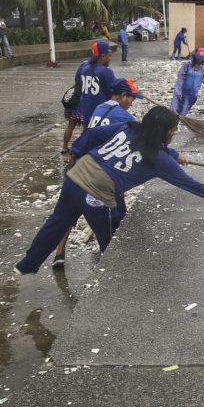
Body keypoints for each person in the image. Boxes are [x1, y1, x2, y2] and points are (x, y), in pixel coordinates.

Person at [15, 106, 204, 273]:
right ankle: (113, 276)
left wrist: (75, 152)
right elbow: (192, 185)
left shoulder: (127, 128)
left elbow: (94, 134)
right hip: (96, 193)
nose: (175, 133)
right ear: (163, 132)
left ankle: (27, 264)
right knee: (112, 239)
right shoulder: (159, 160)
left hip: (75, 178)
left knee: (57, 222)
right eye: (173, 131)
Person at [49, 77, 145, 267]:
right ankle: (111, 255)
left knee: (70, 210)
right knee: (116, 211)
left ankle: (59, 252)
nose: (133, 102)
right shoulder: (124, 117)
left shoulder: (100, 107)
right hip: (98, 170)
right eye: (132, 98)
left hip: (79, 163)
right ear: (123, 96)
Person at [170, 47, 204, 116]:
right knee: (175, 109)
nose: (199, 60)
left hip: (192, 94)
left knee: (184, 111)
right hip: (182, 91)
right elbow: (180, 78)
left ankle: (182, 120)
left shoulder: (202, 68)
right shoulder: (187, 65)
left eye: (201, 59)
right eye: (198, 58)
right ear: (195, 57)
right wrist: (178, 90)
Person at [76, 40, 116, 126]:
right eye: (109, 56)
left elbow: (78, 82)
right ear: (102, 56)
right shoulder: (106, 72)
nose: (110, 59)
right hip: (101, 116)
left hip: (86, 114)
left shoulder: (83, 69)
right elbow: (114, 93)